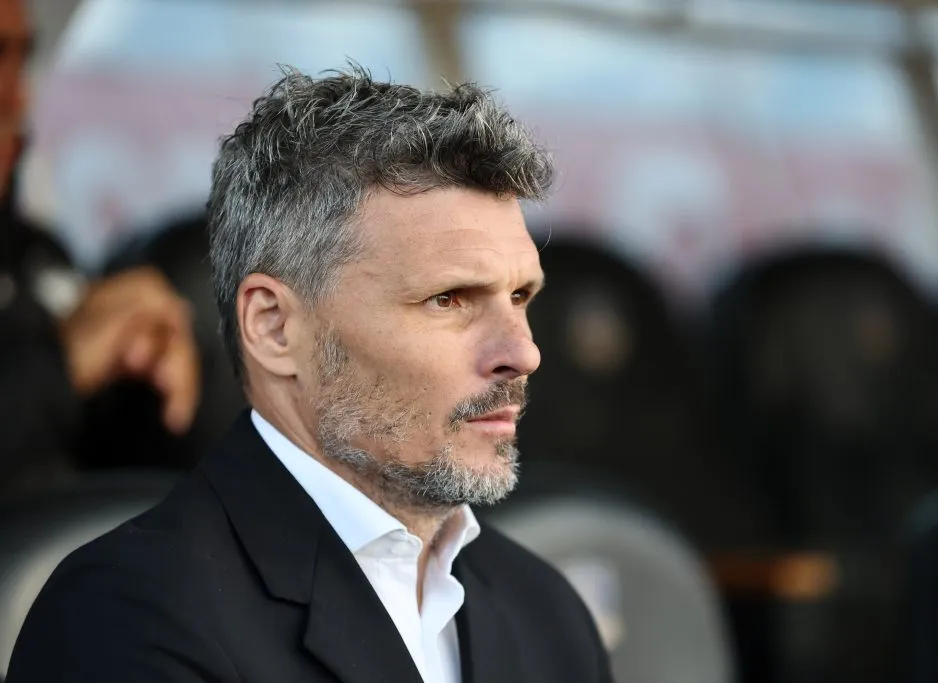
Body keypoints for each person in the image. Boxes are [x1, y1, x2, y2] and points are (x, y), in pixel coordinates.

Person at [7, 66, 615, 682]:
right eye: (449, 298)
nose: (523, 351)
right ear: (274, 329)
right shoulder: (127, 617)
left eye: (520, 297)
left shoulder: (549, 615)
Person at [0, 0, 200, 497]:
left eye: (19, 59)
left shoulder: (38, 259)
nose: (17, 99)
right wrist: (59, 367)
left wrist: (141, 384)